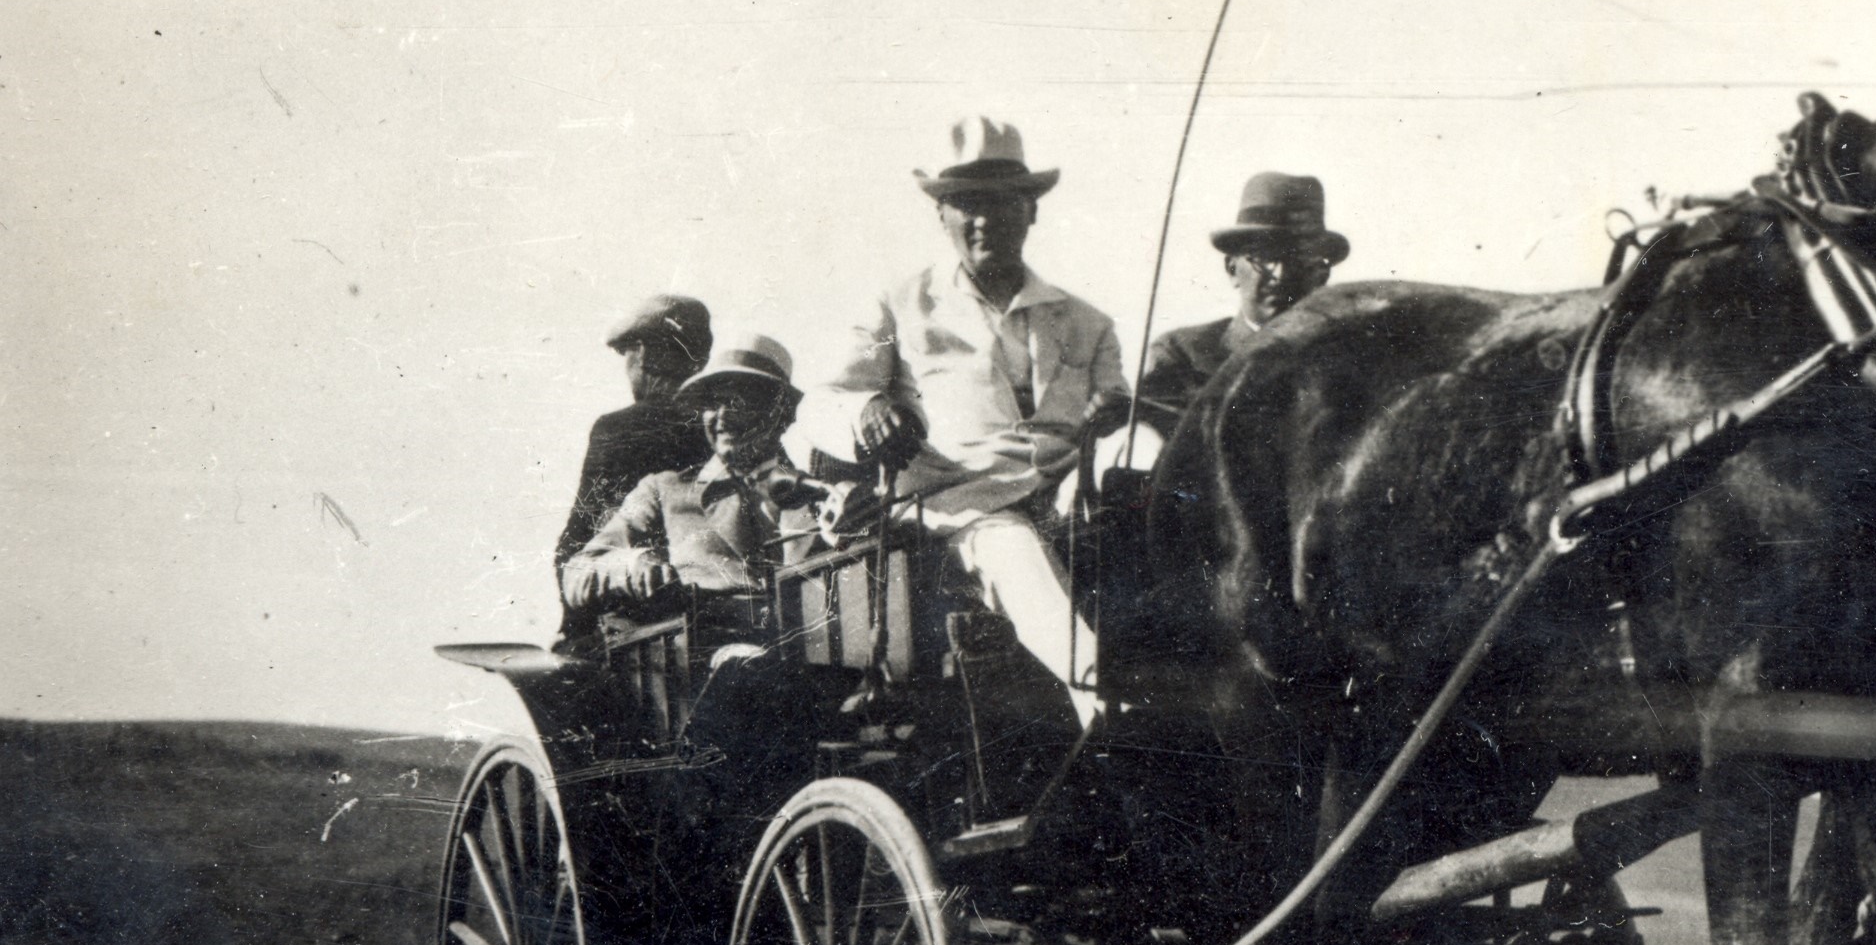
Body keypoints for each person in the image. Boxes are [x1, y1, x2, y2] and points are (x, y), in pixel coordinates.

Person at [822, 118, 1127, 724]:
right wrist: (868, 409)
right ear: (942, 215)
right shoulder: (901, 303)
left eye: (1003, 202)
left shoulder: (1087, 322)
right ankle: (1106, 706)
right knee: (1014, 552)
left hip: (1069, 497)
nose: (985, 219)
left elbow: (1117, 400)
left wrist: (1112, 412)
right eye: (967, 204)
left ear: (1032, 210)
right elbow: (829, 397)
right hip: (963, 506)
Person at [560, 336, 831, 641]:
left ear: (777, 414)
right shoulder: (663, 490)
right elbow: (578, 571)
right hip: (702, 663)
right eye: (712, 403)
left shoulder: (820, 496)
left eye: (738, 401)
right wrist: (633, 564)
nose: (722, 416)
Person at [1133, 172, 1348, 446]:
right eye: (1264, 258)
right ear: (1232, 268)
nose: (1279, 275)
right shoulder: (1184, 356)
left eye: (1296, 260)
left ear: (1321, 273)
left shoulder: (1347, 363)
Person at [552, 295, 713, 647]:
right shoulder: (734, 427)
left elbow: (579, 536)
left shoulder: (618, 429)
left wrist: (573, 630)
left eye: (626, 354)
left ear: (643, 353)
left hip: (646, 624)